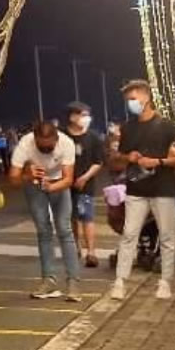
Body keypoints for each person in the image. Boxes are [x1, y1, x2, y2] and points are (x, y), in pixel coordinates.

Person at [108, 80, 175, 301]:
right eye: (128, 100)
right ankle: (120, 281)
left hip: (163, 188)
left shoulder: (167, 127)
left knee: (167, 236)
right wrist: (128, 157)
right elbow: (117, 159)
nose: (131, 104)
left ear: (147, 97)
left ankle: (165, 282)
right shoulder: (128, 128)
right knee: (129, 234)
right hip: (136, 189)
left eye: (133, 99)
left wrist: (158, 161)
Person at [9, 120, 82, 300]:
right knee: (43, 231)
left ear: (56, 139)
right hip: (34, 184)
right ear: (35, 140)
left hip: (59, 182)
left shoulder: (66, 143)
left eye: (50, 147)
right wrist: (27, 175)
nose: (46, 150)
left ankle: (73, 282)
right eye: (42, 147)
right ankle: (48, 279)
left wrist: (51, 187)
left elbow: (69, 179)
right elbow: (13, 179)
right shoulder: (25, 144)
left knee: (64, 229)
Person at [66, 102, 106, 267]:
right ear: (72, 117)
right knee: (71, 218)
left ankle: (91, 252)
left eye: (87, 115)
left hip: (86, 185)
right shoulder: (62, 136)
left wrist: (84, 178)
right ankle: (75, 247)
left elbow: (98, 162)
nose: (86, 118)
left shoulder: (94, 137)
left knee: (87, 217)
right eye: (83, 115)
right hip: (65, 184)